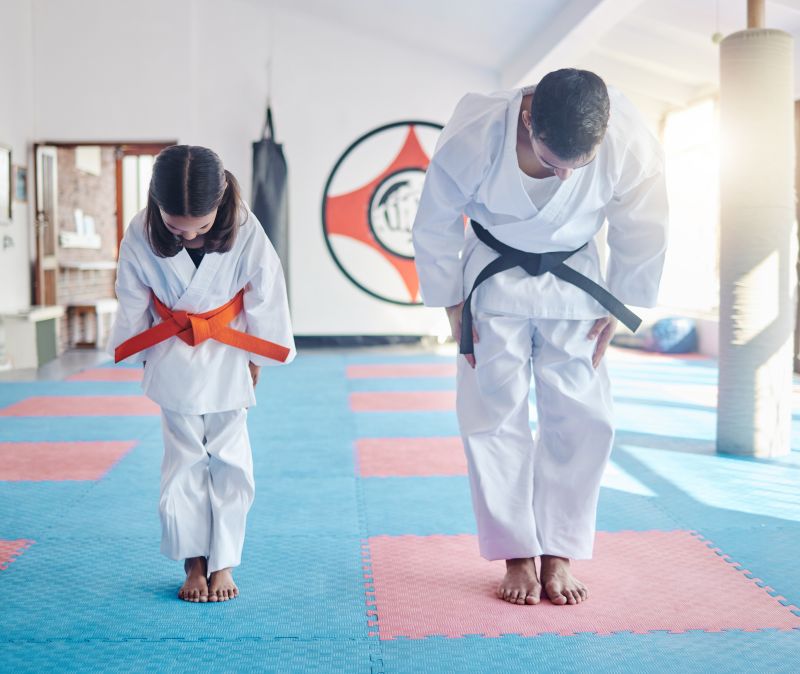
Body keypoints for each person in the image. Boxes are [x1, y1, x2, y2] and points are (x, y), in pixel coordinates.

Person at [412, 69, 667, 606]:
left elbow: (642, 220)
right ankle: (516, 553)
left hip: (577, 283)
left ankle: (559, 552)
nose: (565, 178)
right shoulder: (476, 131)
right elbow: (434, 220)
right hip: (492, 278)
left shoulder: (626, 137)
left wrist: (621, 302)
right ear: (528, 119)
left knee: (583, 416)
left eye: (579, 166)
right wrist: (453, 308)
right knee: (493, 415)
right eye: (553, 163)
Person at [109, 145, 295, 603]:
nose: (188, 235)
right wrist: (138, 349)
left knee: (232, 460)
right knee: (183, 462)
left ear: (219, 208)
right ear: (157, 205)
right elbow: (131, 294)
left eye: (202, 226)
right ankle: (193, 561)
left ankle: (224, 560)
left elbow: (266, 294)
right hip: (171, 350)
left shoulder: (247, 229)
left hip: (229, 352)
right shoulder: (139, 231)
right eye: (175, 226)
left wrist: (259, 357)